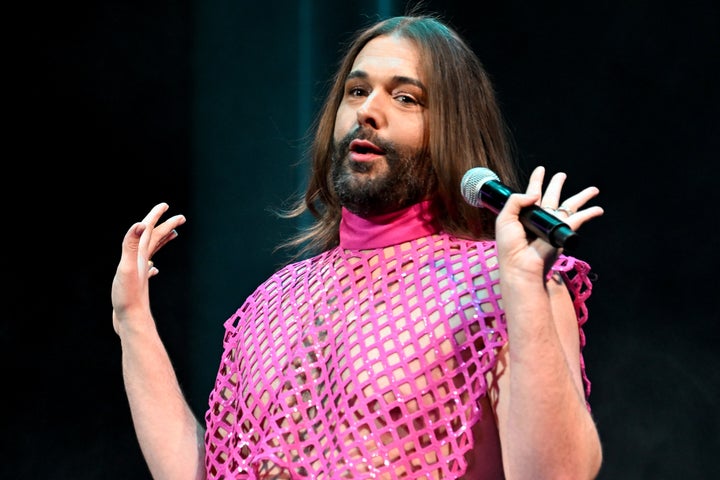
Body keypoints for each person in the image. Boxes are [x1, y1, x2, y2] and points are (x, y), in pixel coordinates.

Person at [111, 13, 604, 480]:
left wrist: (521, 287)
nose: (368, 109)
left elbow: (558, 474)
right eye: (357, 90)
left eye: (406, 98)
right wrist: (132, 320)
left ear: (451, 129)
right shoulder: (272, 304)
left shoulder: (499, 284)